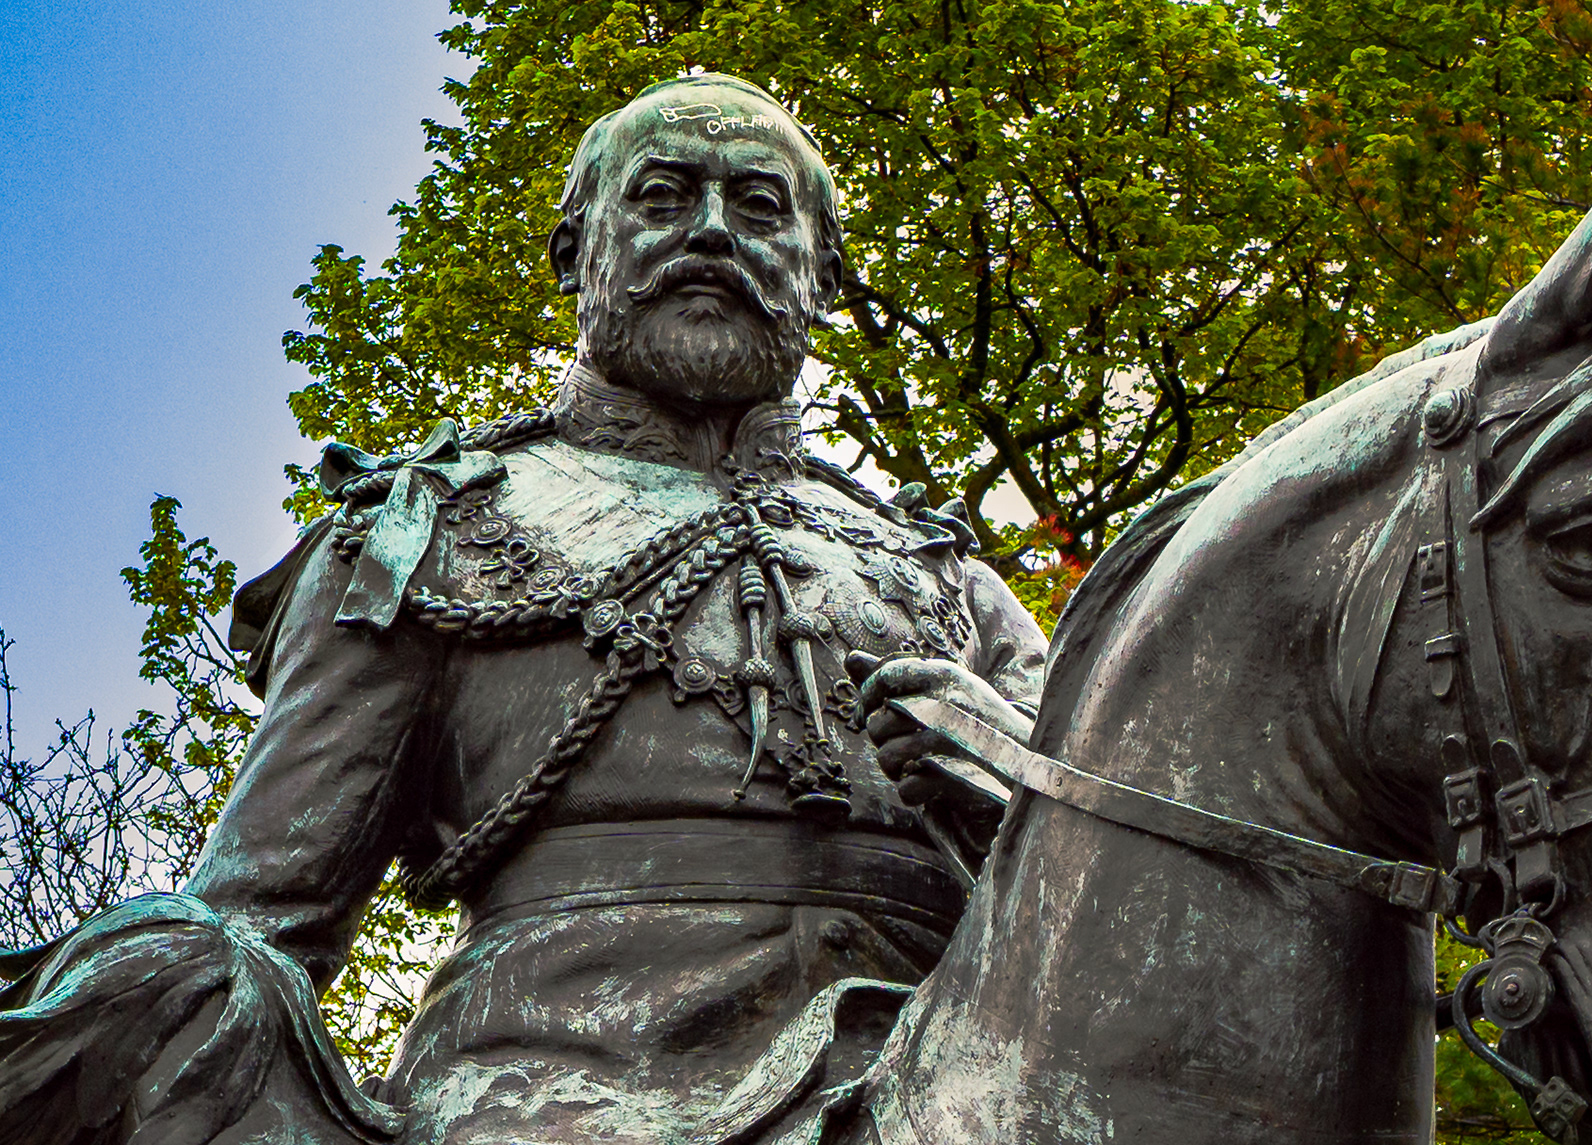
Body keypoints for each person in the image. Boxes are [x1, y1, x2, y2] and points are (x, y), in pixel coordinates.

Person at [0, 73, 1045, 1145]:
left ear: (821, 273)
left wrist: (1027, 793)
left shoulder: (952, 578)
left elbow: (1141, 890)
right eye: (662, 198)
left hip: (943, 1084)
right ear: (572, 256)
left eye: (760, 207)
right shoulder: (423, 532)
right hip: (554, 1096)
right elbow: (258, 921)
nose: (713, 234)